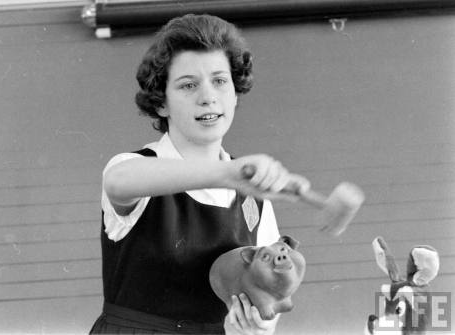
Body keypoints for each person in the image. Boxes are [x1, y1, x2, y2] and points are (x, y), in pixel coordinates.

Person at [90, 14, 310, 335]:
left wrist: (255, 328)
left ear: (235, 93)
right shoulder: (134, 166)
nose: (208, 96)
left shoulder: (253, 198)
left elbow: (272, 295)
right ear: (161, 103)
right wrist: (227, 173)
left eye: (220, 81)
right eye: (189, 85)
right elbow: (117, 181)